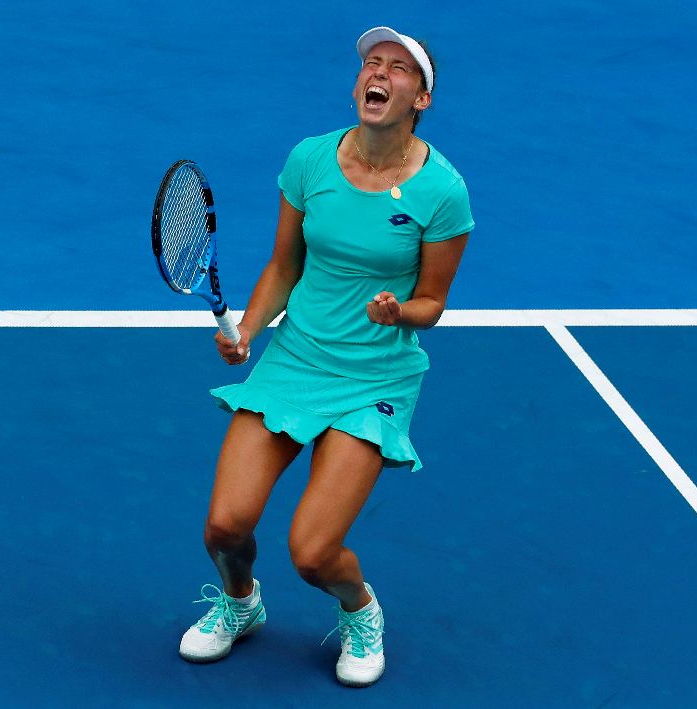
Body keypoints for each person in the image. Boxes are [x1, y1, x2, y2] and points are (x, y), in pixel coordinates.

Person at [178, 25, 474, 687]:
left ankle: (360, 609)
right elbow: (284, 265)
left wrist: (400, 312)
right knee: (224, 527)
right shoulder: (310, 160)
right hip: (297, 359)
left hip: (374, 377)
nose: (380, 72)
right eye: (373, 63)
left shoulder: (443, 191)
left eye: (399, 68)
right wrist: (248, 329)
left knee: (313, 554)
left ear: (421, 99)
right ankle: (240, 601)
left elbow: (433, 300)